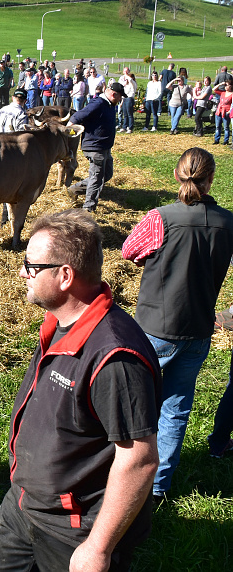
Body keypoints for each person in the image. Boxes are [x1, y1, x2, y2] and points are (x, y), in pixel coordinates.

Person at [0, 209, 160, 572]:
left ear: (65, 276)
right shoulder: (59, 321)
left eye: (32, 265)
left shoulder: (115, 358)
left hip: (74, 529)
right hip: (23, 505)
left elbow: (139, 460)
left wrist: (97, 547)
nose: (22, 272)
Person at [122, 148, 233, 500]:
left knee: (135, 405)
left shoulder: (160, 218)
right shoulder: (227, 221)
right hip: (198, 328)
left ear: (176, 175)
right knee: (176, 410)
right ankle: (158, 488)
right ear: (211, 179)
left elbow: (129, 251)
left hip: (155, 326)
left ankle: (121, 476)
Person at [67, 82, 124, 213]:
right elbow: (76, 117)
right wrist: (69, 133)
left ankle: (74, 189)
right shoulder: (97, 103)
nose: (120, 99)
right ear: (113, 94)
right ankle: (88, 209)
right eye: (120, 96)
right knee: (97, 178)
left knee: (107, 174)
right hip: (95, 147)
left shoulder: (109, 104)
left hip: (105, 147)